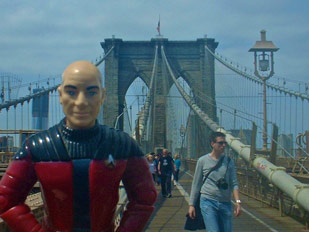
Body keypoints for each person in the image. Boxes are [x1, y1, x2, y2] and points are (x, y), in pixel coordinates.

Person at [0, 60, 157, 232]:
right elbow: (6, 199)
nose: (81, 102)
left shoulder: (122, 145)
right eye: (71, 92)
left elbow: (145, 198)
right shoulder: (37, 147)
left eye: (91, 92)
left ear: (102, 96)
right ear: (60, 95)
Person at [188, 132, 241, 232]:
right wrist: (191, 205)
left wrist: (238, 202)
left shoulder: (229, 162)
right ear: (212, 144)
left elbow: (234, 183)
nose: (224, 145)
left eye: (225, 143)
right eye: (220, 143)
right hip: (208, 201)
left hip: (225, 202)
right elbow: (196, 184)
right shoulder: (202, 161)